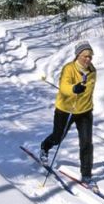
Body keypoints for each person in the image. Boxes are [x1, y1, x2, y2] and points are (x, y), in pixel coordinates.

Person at [40, 40, 98, 185]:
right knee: (58, 137)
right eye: (85, 56)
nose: (88, 59)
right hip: (66, 109)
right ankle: (44, 147)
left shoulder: (93, 71)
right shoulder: (69, 68)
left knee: (86, 143)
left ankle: (86, 174)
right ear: (78, 55)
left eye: (90, 56)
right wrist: (74, 89)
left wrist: (88, 104)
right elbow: (64, 86)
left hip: (85, 111)